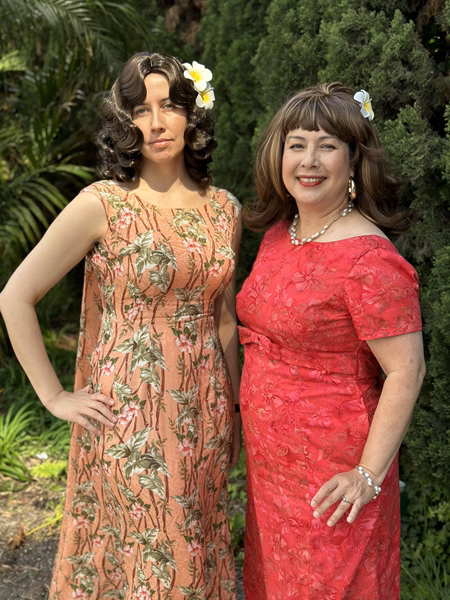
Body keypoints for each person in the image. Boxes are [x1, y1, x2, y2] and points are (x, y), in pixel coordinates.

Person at [0, 52, 241, 599]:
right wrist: (55, 395)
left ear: (192, 114)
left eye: (169, 106)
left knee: (197, 551)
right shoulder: (102, 204)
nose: (156, 123)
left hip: (203, 416)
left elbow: (224, 318)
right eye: (140, 110)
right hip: (131, 418)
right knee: (155, 564)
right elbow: (15, 295)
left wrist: (234, 411)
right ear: (125, 122)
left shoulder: (223, 207)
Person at [236, 83, 425, 599]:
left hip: (333, 475)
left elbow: (407, 372)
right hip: (272, 468)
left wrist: (367, 475)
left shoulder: (370, 260)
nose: (308, 160)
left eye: (327, 145)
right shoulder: (281, 233)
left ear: (353, 159)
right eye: (296, 144)